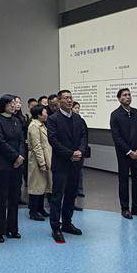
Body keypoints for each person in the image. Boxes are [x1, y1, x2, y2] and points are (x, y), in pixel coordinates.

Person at [45, 90, 87, 243]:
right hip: (61, 163)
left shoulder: (78, 118)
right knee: (57, 196)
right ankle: (55, 227)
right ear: (59, 101)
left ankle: (67, 223)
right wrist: (70, 153)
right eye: (66, 98)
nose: (69, 100)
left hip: (76, 163)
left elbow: (84, 136)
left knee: (71, 194)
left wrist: (80, 151)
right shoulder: (53, 119)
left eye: (71, 98)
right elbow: (53, 141)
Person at [110, 88, 137, 219]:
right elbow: (117, 137)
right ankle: (125, 208)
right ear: (119, 98)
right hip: (124, 155)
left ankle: (136, 207)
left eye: (129, 95)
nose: (128, 97)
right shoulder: (115, 115)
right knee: (124, 181)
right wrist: (129, 151)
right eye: (124, 95)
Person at [0, 95, 26, 242]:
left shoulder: (17, 120)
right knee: (1, 198)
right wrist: (15, 157)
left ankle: (12, 228)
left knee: (14, 197)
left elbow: (21, 141)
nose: (13, 105)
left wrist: (21, 156)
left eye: (14, 103)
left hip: (17, 164)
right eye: (10, 103)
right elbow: (0, 142)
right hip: (2, 163)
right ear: (3, 105)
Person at [27, 105, 52, 221]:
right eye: (45, 113)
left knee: (42, 185)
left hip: (44, 158)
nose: (46, 114)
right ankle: (33, 211)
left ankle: (40, 209)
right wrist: (41, 162)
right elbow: (36, 146)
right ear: (38, 115)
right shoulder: (34, 126)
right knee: (36, 186)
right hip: (37, 160)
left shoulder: (41, 125)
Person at [71, 101, 88, 207]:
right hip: (71, 151)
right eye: (75, 108)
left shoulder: (81, 120)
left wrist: (82, 149)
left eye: (78, 108)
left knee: (80, 170)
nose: (77, 110)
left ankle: (79, 189)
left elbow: (85, 136)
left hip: (80, 150)